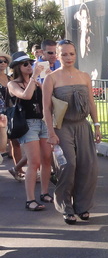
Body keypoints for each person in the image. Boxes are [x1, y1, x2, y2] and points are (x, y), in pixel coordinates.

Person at [42, 40, 101, 224]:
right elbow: (46, 109)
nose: (68, 57)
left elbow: (91, 102)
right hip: (62, 127)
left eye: (71, 54)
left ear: (76, 55)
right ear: (58, 56)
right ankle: (65, 207)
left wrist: (97, 124)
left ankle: (82, 206)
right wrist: (51, 133)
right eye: (64, 54)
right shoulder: (51, 78)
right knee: (68, 166)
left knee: (88, 167)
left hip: (83, 125)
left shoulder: (84, 76)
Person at [7, 51, 52, 211]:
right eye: (25, 64)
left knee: (47, 159)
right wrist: (35, 78)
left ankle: (45, 192)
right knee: (34, 162)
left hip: (43, 122)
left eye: (30, 63)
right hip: (27, 124)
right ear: (18, 67)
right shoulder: (13, 84)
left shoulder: (37, 82)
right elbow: (25, 96)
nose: (29, 66)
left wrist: (48, 77)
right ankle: (30, 199)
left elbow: (47, 100)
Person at [0, 53, 27, 181]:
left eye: (5, 61)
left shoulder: (10, 79)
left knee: (15, 141)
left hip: (10, 112)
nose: (2, 63)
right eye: (0, 61)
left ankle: (18, 170)